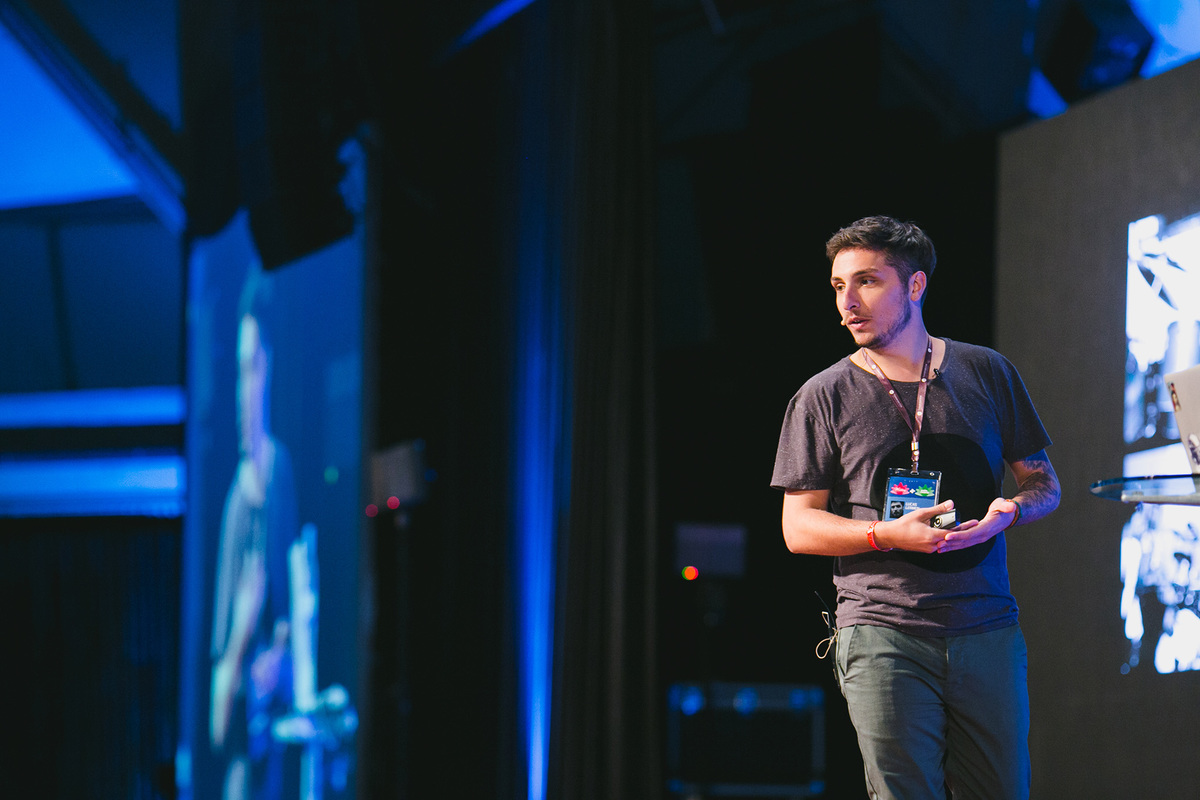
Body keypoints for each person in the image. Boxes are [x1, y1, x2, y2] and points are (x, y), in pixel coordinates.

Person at [770, 215, 1061, 799]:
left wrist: (1012, 512)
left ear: (916, 286)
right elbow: (797, 527)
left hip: (987, 627)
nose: (847, 302)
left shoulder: (987, 371)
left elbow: (1044, 483)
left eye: (867, 282)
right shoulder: (823, 395)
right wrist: (887, 535)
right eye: (837, 286)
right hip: (882, 630)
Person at [210, 265, 298, 800]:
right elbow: (219, 722)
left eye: (254, 369)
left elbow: (290, 614)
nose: (245, 391)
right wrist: (243, 634)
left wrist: (279, 653)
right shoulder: (236, 507)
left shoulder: (281, 471)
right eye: (239, 372)